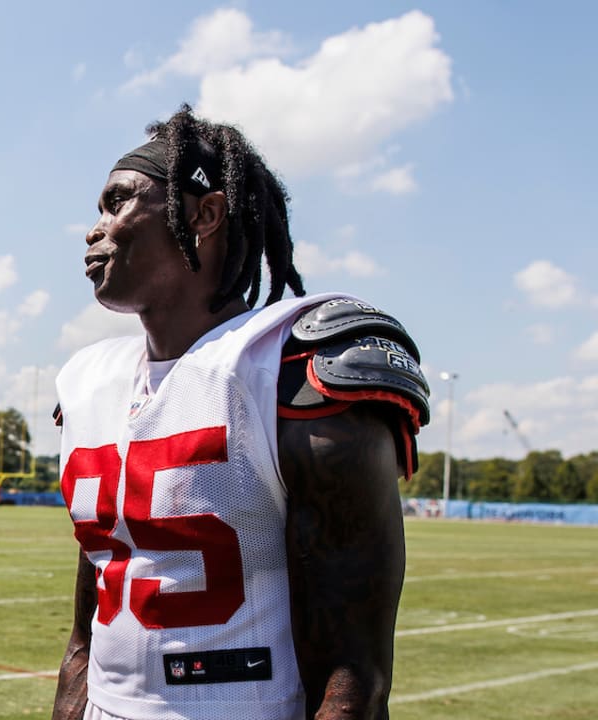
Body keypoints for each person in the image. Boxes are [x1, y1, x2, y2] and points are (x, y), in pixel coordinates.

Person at [52, 105, 429, 720]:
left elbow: (352, 673)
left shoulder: (291, 369)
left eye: (117, 203)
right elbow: (85, 636)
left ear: (205, 213)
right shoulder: (90, 383)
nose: (95, 228)